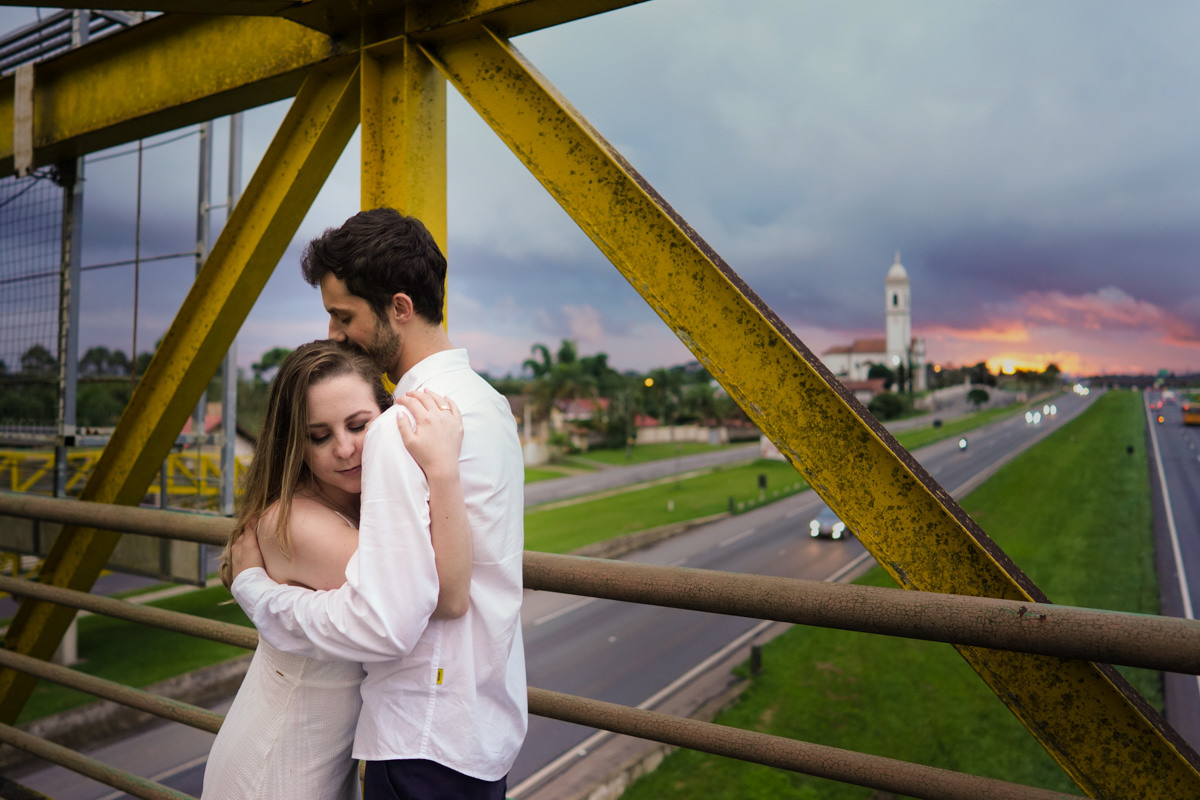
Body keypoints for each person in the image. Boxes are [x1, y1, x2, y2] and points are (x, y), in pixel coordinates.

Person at [230, 209, 527, 799]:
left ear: (398, 307)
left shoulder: (402, 428)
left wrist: (259, 593)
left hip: (421, 728)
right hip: (483, 721)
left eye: (344, 316)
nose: (336, 334)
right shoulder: (489, 402)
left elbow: (395, 613)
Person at [203, 339, 471, 799]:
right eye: (319, 436)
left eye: (359, 425)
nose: (346, 449)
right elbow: (447, 598)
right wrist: (443, 470)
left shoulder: (359, 502)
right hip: (275, 769)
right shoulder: (298, 523)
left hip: (321, 765)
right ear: (296, 445)